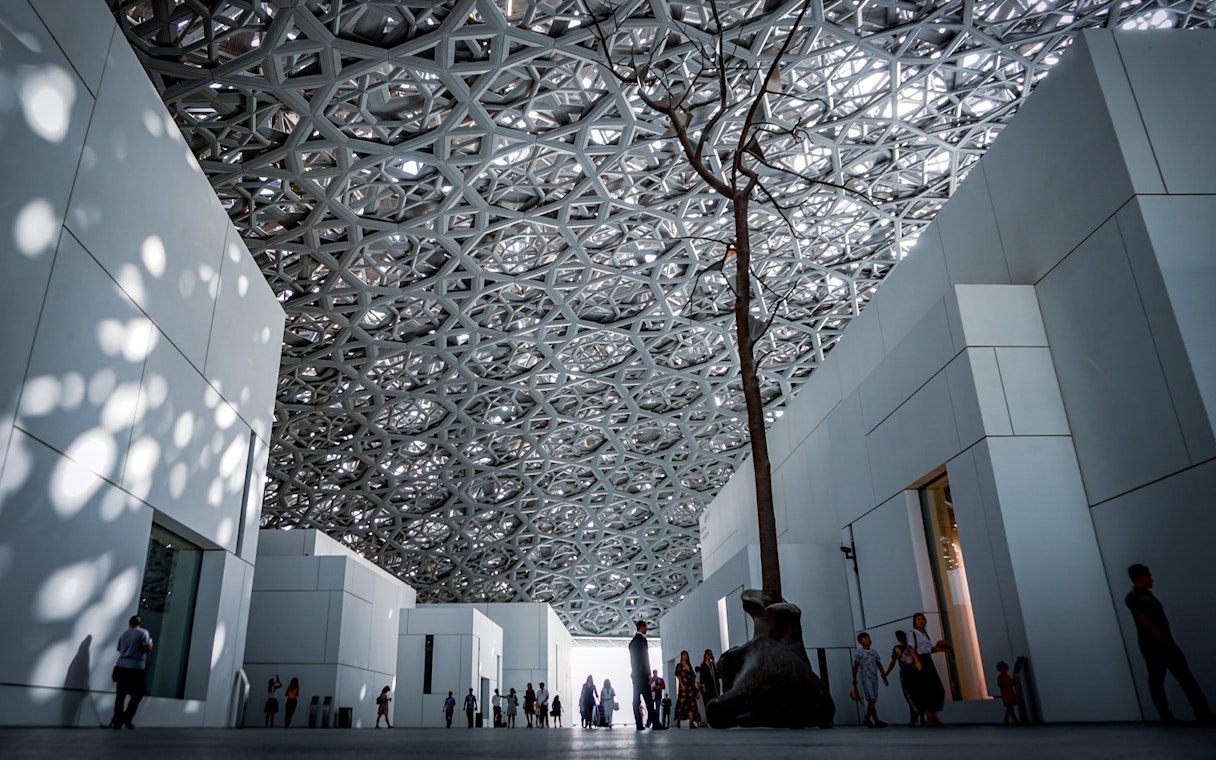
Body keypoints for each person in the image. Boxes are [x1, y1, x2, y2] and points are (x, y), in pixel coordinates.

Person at [1125, 564, 1213, 725]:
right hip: (1154, 646)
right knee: (1160, 681)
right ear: (1141, 577)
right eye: (1148, 575)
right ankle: (1170, 716)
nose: (1151, 578)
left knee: (1182, 678)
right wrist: (1161, 637)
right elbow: (1143, 619)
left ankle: (1202, 714)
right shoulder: (1133, 597)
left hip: (1164, 643)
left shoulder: (1146, 596)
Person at [110, 615, 152, 730]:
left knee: (120, 696)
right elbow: (146, 649)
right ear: (140, 624)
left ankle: (117, 721)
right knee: (137, 695)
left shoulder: (124, 634)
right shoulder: (143, 633)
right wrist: (151, 644)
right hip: (136, 669)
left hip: (122, 666)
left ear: (130, 624)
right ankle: (126, 718)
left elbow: (119, 649)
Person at [908, 613, 950, 727]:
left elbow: (930, 649)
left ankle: (934, 715)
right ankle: (929, 716)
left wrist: (943, 649)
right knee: (925, 689)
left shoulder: (925, 635)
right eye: (918, 619)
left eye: (923, 619)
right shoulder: (913, 633)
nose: (921, 621)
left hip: (928, 660)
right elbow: (911, 648)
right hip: (920, 660)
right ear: (915, 622)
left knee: (937, 688)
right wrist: (917, 661)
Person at [629, 620, 664, 730]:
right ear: (642, 627)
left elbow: (633, 660)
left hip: (635, 675)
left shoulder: (632, 643)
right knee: (648, 700)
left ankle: (639, 724)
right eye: (646, 627)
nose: (647, 629)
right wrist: (648, 674)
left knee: (636, 700)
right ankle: (655, 723)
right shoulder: (642, 641)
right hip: (643, 676)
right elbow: (644, 658)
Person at [883, 630, 922, 726]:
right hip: (915, 671)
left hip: (905, 672)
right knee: (917, 693)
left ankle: (915, 716)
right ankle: (920, 717)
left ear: (898, 639)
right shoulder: (912, 646)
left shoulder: (897, 648)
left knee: (908, 695)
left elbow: (893, 662)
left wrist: (886, 673)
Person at [852, 632, 888, 727]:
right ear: (860, 642)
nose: (868, 639)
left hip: (874, 678)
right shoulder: (859, 653)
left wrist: (883, 675)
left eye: (868, 637)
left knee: (873, 700)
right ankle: (876, 720)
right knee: (871, 699)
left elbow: (879, 664)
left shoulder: (874, 652)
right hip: (866, 678)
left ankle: (867, 719)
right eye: (865, 638)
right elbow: (855, 666)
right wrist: (854, 678)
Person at [673, 649, 700, 728]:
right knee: (682, 703)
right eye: (684, 655)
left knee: (692, 703)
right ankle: (678, 719)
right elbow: (678, 675)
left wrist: (696, 689)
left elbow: (693, 677)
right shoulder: (679, 665)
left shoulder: (689, 665)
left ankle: (691, 723)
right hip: (683, 687)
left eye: (686, 655)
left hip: (690, 687)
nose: (685, 656)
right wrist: (681, 684)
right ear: (681, 656)